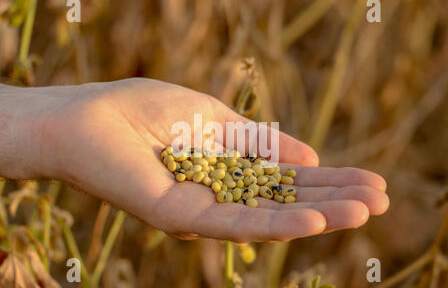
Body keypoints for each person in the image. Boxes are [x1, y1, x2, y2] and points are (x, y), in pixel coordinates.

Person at [0, 78, 389, 242]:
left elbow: (226, 176)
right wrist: (40, 122)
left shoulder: (226, 173)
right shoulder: (195, 163)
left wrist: (36, 119)